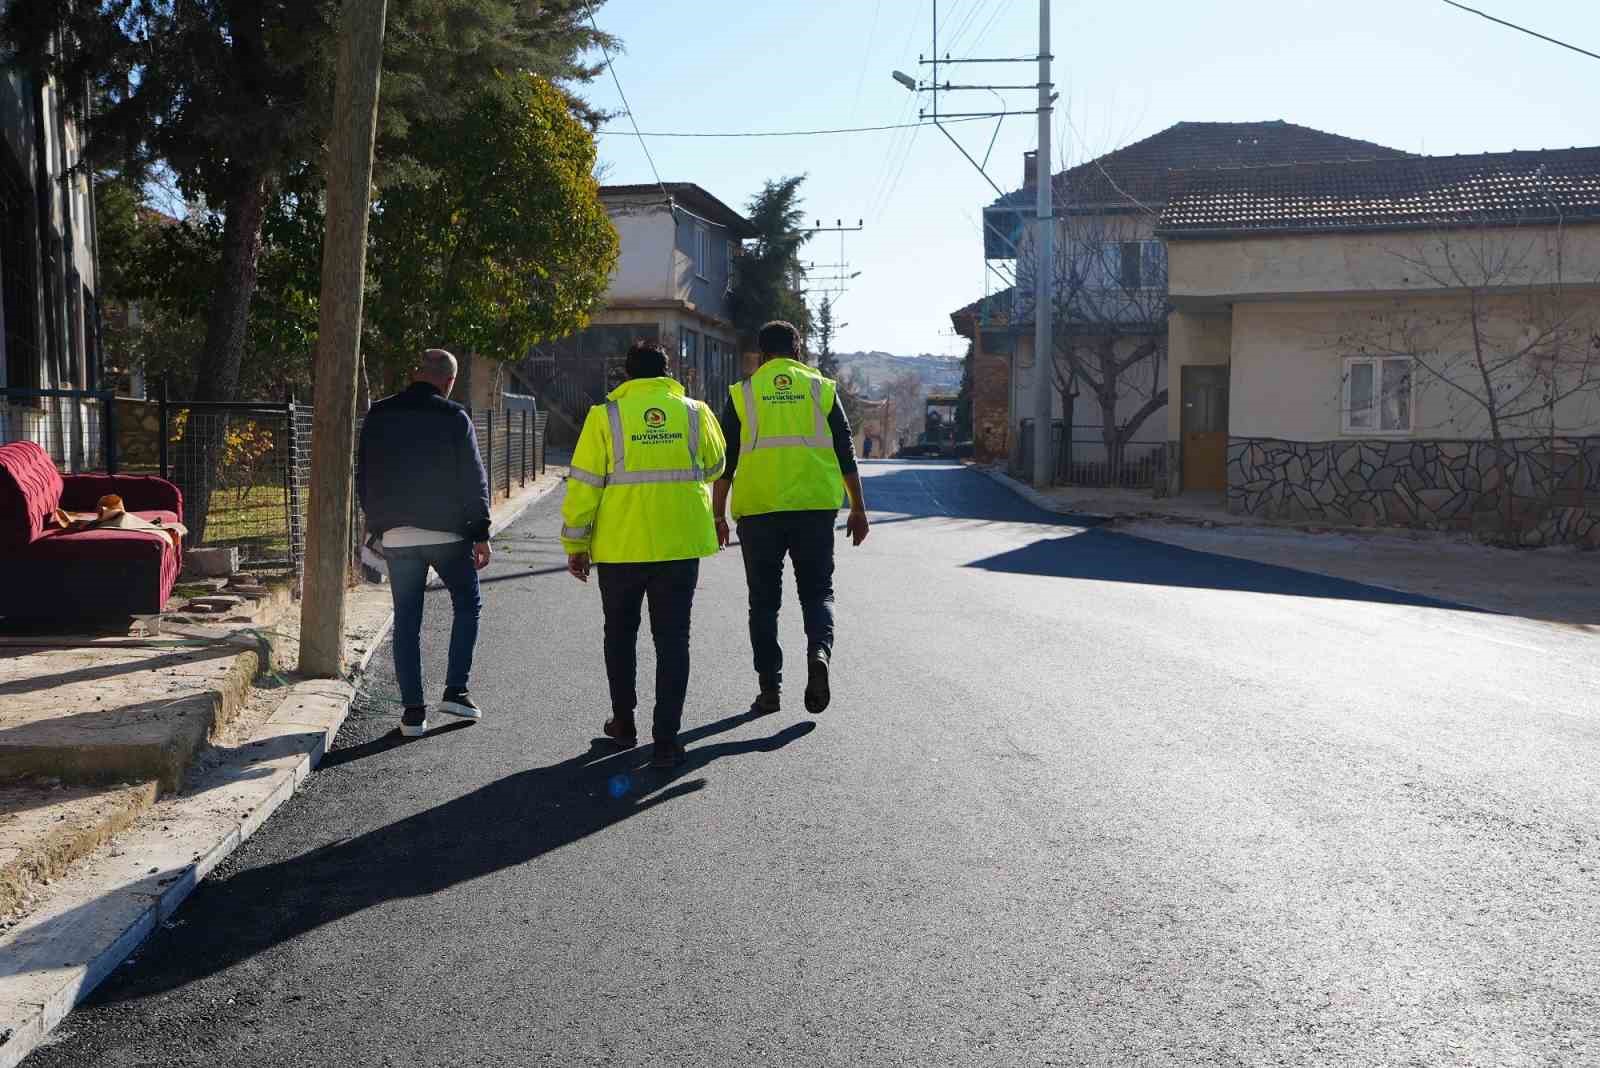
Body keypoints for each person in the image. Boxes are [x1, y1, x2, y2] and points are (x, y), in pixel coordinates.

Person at [560, 340, 727, 769]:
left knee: (620, 635)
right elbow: (715, 465)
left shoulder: (605, 417)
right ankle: (667, 737)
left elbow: (584, 484)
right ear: (669, 372)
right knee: (673, 640)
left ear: (627, 375)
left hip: (621, 547)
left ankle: (624, 722)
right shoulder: (696, 412)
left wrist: (577, 544)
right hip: (679, 544)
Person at [712, 320, 869, 719]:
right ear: (798, 352)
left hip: (759, 511)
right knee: (818, 594)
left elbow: (725, 459)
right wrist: (858, 507)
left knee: (763, 605)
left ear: (761, 355)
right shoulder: (820, 388)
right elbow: (845, 449)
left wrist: (717, 514)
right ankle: (818, 652)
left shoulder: (743, 393)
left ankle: (770, 690)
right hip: (814, 508)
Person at [357, 348, 493, 738]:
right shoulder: (453, 417)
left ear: (416, 373)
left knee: (407, 621)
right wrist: (480, 532)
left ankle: (413, 714)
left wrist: (378, 525)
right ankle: (456, 690)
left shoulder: (379, 414)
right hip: (449, 533)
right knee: (467, 603)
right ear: (449, 382)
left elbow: (364, 475)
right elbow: (473, 478)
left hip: (398, 536)